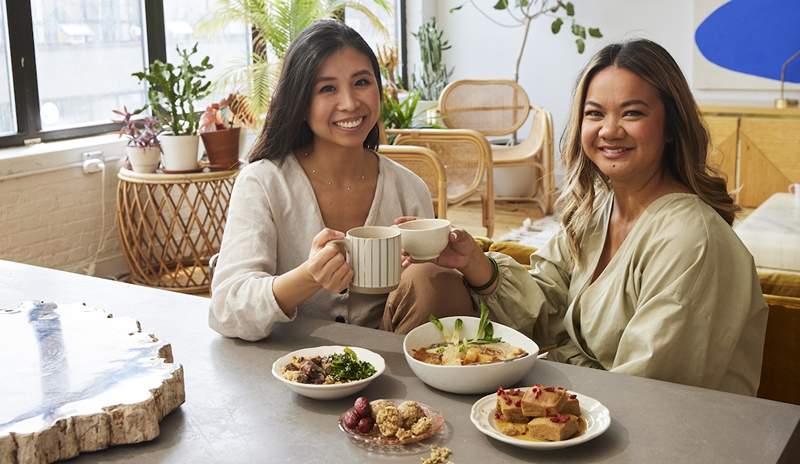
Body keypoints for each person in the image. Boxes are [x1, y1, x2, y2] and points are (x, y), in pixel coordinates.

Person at [400, 39, 768, 396]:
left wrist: (527, 408)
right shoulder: (596, 211)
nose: (609, 130)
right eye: (595, 113)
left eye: (632, 112)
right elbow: (545, 308)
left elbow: (650, 390)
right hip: (586, 407)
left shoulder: (692, 241)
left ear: (671, 125)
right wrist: (474, 263)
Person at [209, 20, 473, 341]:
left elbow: (437, 301)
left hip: (396, 375)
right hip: (289, 370)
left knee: (431, 279)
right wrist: (309, 277)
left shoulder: (408, 187)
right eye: (328, 88)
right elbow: (225, 309)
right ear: (300, 102)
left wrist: (418, 276)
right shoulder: (263, 182)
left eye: (362, 82)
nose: (349, 103)